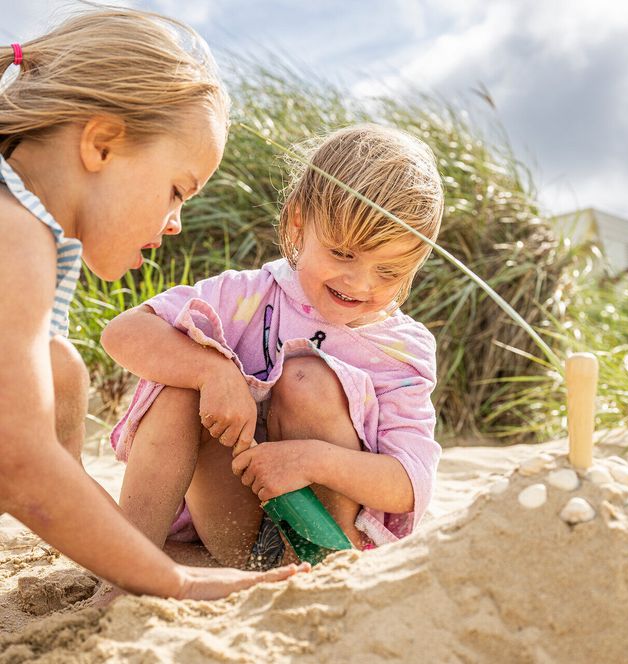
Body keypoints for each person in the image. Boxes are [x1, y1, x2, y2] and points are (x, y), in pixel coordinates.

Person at [0, 7, 308, 601]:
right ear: (103, 143)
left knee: (62, 369)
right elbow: (21, 465)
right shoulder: (15, 235)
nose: (176, 224)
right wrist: (174, 578)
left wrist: (136, 562)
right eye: (177, 190)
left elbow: (54, 472)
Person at [102, 123, 444, 570]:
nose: (360, 282)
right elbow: (123, 333)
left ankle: (312, 576)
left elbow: (410, 483)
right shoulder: (248, 295)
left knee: (307, 379)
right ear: (300, 222)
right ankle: (129, 568)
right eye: (342, 253)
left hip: (326, 537)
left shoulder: (401, 349)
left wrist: (312, 461)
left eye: (389, 271)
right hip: (231, 521)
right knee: (180, 379)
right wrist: (211, 372)